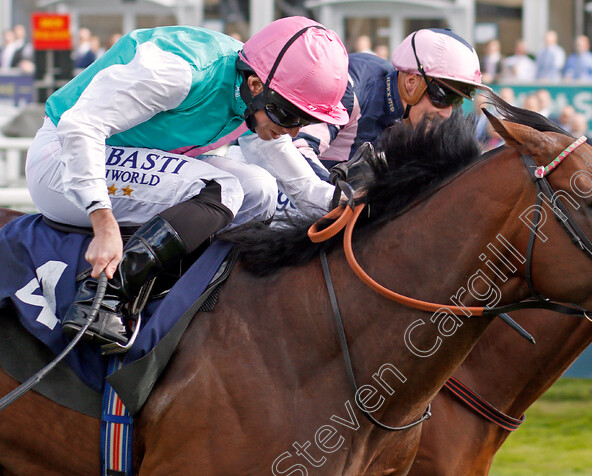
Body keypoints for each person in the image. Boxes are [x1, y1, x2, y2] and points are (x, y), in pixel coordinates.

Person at [25, 17, 350, 347]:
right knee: (222, 188)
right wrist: (102, 221)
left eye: (306, 120)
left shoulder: (256, 94)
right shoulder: (179, 72)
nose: (294, 130)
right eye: (289, 115)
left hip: (121, 161)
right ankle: (104, 293)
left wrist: (349, 202)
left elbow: (299, 183)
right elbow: (81, 126)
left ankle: (199, 289)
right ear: (255, 85)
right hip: (63, 160)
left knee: (260, 189)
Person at [293, 28, 483, 170]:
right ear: (411, 82)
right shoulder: (351, 88)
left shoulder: (414, 121)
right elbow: (294, 152)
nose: (446, 113)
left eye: (456, 101)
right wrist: (338, 195)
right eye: (443, 96)